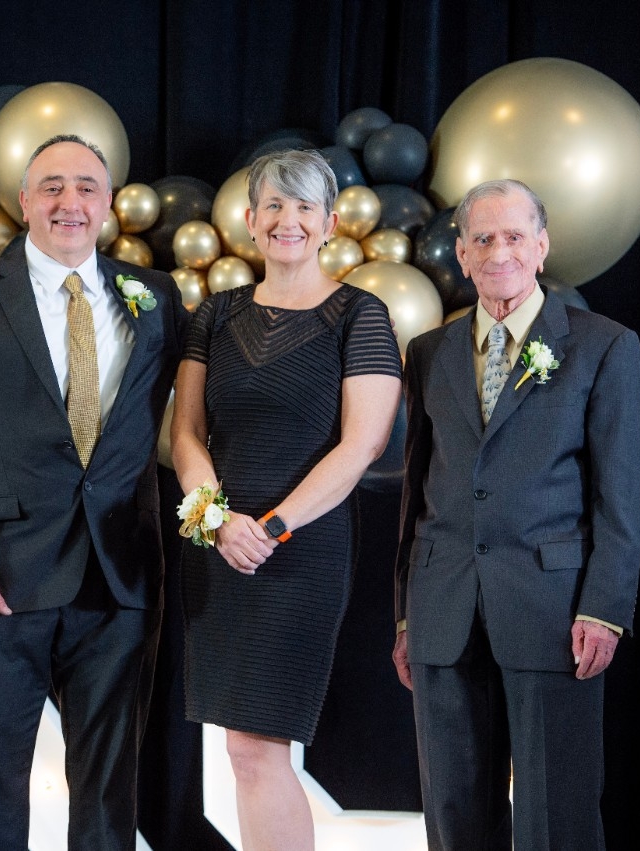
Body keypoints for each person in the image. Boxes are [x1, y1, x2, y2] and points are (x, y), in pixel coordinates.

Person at [0, 134, 187, 850]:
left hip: (119, 579)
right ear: (25, 200)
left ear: (108, 203)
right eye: (53, 187)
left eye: (87, 187)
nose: (70, 202)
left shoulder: (155, 297)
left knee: (108, 789)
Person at [392, 179, 640, 850]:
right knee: (454, 817)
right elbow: (417, 490)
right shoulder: (429, 353)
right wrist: (405, 612)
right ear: (462, 254)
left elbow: (620, 495)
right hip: (443, 608)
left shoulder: (604, 346)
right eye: (482, 238)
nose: (498, 250)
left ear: (541, 246)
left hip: (554, 609)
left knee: (554, 815)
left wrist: (605, 606)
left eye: (513, 236)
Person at [170, 148, 402, 850]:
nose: (287, 219)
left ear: (329, 223)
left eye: (303, 207)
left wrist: (268, 526)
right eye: (273, 204)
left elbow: (360, 447)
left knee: (260, 748)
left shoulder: (358, 315)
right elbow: (184, 432)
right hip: (219, 547)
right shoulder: (216, 313)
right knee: (244, 751)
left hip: (297, 551)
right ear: (250, 220)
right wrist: (215, 519)